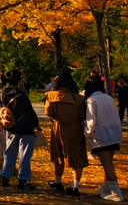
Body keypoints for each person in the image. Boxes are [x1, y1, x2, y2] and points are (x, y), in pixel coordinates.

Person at [45, 69, 88, 197]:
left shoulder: (51, 96)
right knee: (77, 156)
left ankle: (58, 181)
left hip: (58, 128)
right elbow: (83, 115)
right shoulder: (79, 98)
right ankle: (75, 186)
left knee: (58, 155)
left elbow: (48, 113)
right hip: (75, 129)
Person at [84, 77, 123, 201]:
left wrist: (88, 134)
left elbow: (91, 121)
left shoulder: (91, 100)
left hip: (101, 136)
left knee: (107, 166)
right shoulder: (108, 98)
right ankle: (106, 187)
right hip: (114, 135)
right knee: (109, 164)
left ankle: (116, 193)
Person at [0, 69, 39, 190]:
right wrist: (36, 124)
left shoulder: (4, 93)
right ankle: (23, 179)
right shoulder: (21, 95)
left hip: (10, 125)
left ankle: (5, 177)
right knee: (24, 155)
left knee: (9, 153)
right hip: (25, 127)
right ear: (19, 80)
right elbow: (29, 111)